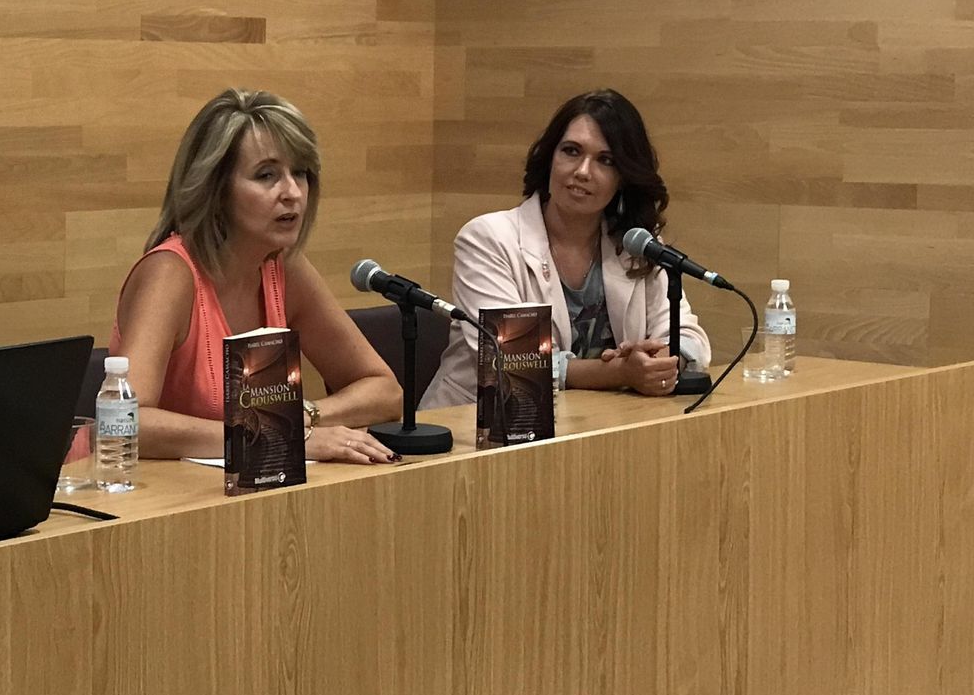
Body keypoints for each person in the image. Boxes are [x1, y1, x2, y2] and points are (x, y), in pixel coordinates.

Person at [110, 89, 402, 463]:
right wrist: (266, 433)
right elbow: (125, 423)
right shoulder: (170, 273)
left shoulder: (285, 269)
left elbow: (384, 391)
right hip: (149, 499)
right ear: (215, 190)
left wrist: (301, 420)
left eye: (300, 173)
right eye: (267, 175)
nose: (293, 192)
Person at [421, 88, 711, 409]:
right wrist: (619, 372)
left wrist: (660, 362)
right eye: (572, 151)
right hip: (482, 424)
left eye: (606, 160)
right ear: (549, 159)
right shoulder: (488, 238)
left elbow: (689, 336)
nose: (583, 171)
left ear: (624, 178)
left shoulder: (636, 244)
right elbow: (516, 362)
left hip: (592, 425)